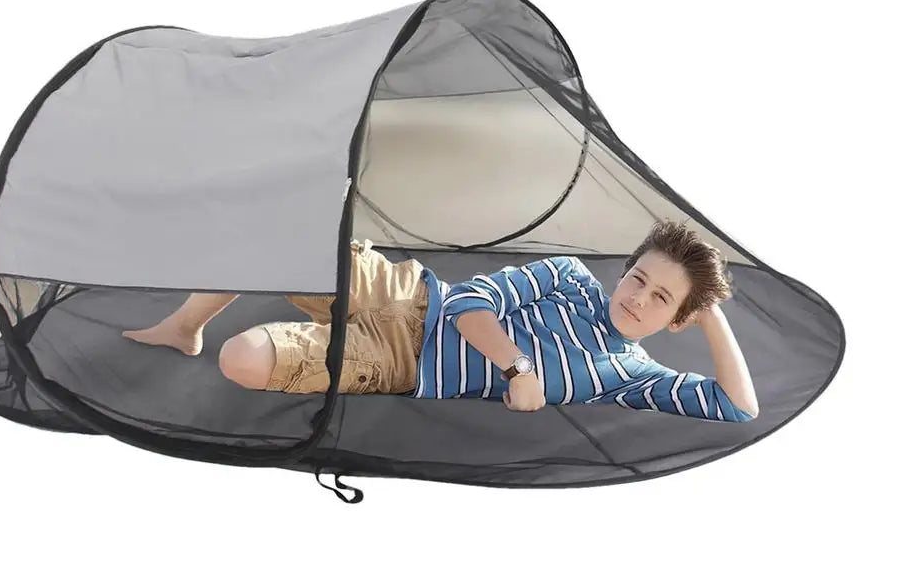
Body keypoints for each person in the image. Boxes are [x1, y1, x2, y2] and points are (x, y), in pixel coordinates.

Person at [122, 218, 760, 420]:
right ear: (624, 271)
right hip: (412, 297)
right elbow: (466, 304)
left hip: (401, 364)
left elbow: (738, 408)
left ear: (676, 320)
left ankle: (216, 338)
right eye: (638, 278)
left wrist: (709, 314)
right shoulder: (568, 276)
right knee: (274, 236)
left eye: (661, 300)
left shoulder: (630, 375)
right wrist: (518, 368)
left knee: (241, 358)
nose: (638, 299)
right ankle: (184, 327)